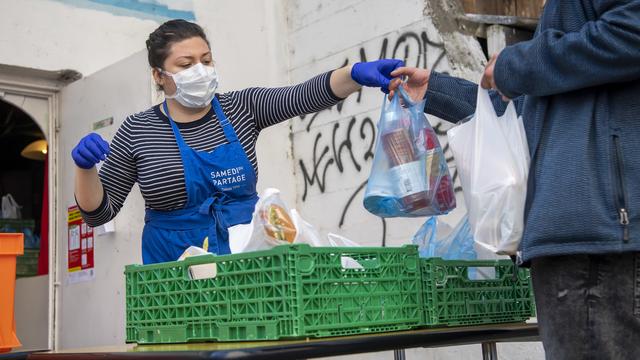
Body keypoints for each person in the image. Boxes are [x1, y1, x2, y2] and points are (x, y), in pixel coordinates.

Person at [390, 1, 640, 358]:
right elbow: (527, 116)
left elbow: (632, 31)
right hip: (589, 237)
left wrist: (518, 65)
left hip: (601, 239)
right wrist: (433, 90)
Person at [72, 19, 402, 264]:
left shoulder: (241, 108)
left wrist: (355, 73)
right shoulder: (137, 130)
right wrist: (85, 168)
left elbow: (303, 96)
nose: (200, 71)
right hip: (174, 276)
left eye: (206, 60)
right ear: (159, 76)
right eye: (185, 65)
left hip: (249, 265)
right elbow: (100, 213)